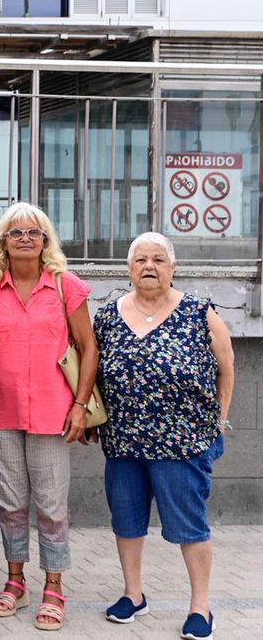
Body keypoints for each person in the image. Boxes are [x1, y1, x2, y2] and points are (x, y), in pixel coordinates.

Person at [0, 202, 97, 631]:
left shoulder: (65, 287)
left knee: (52, 505)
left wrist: (79, 406)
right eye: (16, 233)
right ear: (2, 242)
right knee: (10, 503)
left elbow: (88, 348)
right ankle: (16, 580)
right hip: (0, 411)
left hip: (53, 414)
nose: (25, 239)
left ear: (45, 240)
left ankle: (54, 586)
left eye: (33, 232)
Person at [94, 232, 233, 640]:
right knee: (127, 521)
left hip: (182, 444)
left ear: (173, 268)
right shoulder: (108, 316)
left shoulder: (199, 313)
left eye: (158, 259)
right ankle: (133, 595)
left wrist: (219, 421)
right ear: (128, 269)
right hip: (122, 441)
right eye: (140, 260)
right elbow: (92, 372)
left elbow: (227, 367)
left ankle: (200, 608)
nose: (149, 266)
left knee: (189, 526)